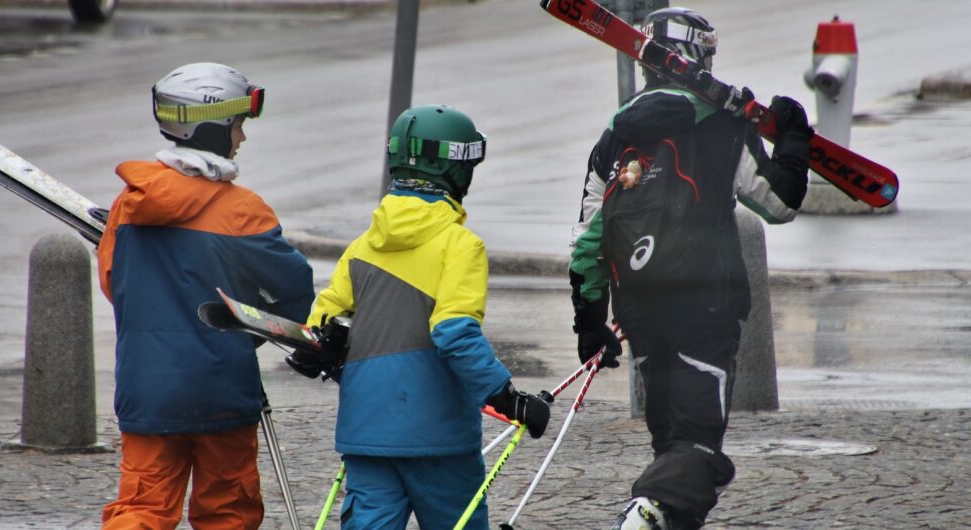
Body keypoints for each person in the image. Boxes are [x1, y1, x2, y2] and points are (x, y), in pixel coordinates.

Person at [567, 8, 813, 530]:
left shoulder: (615, 136)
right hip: (706, 306)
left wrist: (590, 324)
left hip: (639, 311)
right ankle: (645, 512)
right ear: (700, 54)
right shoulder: (725, 125)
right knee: (699, 445)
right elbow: (779, 203)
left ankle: (661, 512)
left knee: (671, 443)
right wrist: (793, 140)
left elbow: (588, 238)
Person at [292, 104, 551, 530]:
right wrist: (508, 399)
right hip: (438, 437)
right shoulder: (459, 245)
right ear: (455, 170)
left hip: (367, 431)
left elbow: (319, 331)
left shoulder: (361, 247)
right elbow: (453, 333)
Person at [97, 62, 315, 530]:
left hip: (147, 385)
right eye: (237, 126)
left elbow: (114, 284)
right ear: (214, 128)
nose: (241, 138)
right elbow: (293, 292)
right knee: (227, 512)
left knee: (141, 510)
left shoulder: (129, 204)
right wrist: (244, 337)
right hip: (222, 386)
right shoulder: (243, 211)